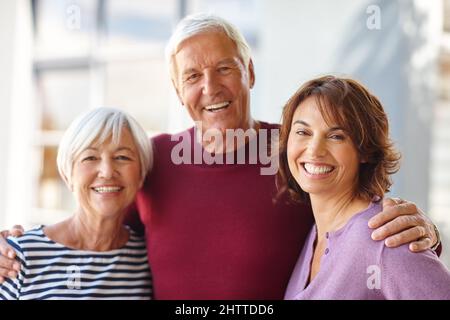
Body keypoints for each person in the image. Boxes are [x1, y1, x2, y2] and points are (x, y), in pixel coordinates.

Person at [0, 14, 441, 299]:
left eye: (224, 68)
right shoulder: (153, 160)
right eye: (193, 75)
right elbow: (96, 229)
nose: (210, 88)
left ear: (249, 72)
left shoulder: (295, 153)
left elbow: (363, 219)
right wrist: (19, 246)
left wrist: (423, 232)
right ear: (178, 90)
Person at [279, 76, 450, 299]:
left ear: (365, 151)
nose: (314, 150)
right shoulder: (315, 231)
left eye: (336, 136)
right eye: (303, 132)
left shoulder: (382, 238)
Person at [0, 107, 153, 300]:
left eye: (122, 157)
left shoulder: (147, 258)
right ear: (67, 174)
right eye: (90, 157)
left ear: (141, 175)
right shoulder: (17, 258)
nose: (106, 171)